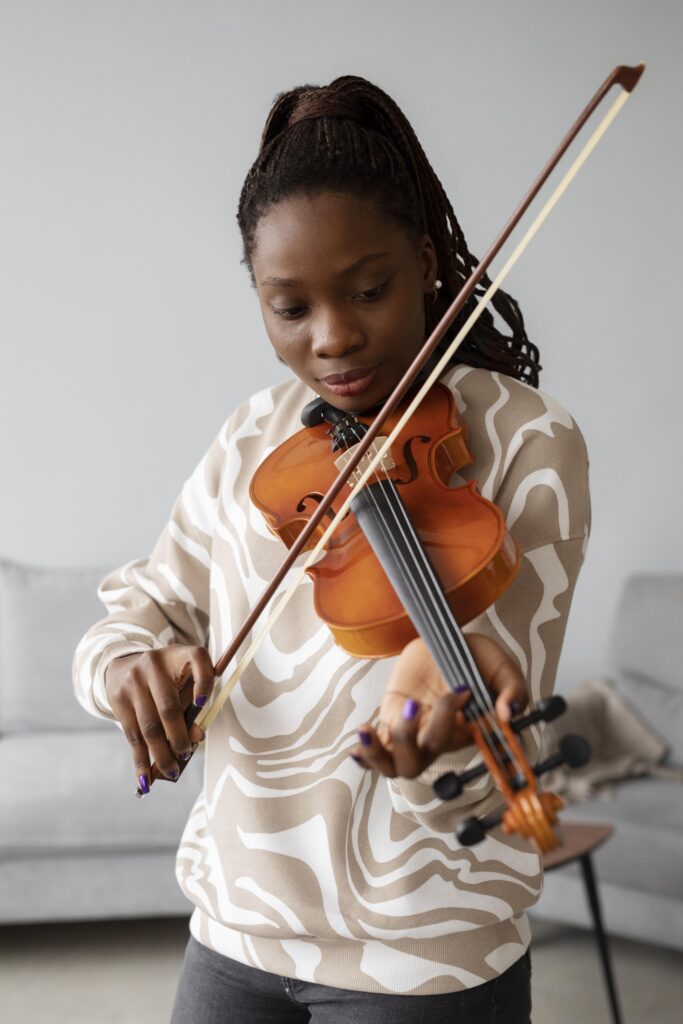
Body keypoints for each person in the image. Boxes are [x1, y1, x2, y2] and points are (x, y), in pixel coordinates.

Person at [73, 75, 590, 1023]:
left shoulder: (524, 440)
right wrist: (130, 671)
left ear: (427, 262)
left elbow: (513, 694)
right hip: (235, 926)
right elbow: (136, 611)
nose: (335, 338)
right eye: (289, 307)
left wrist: (453, 715)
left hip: (427, 948)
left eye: (368, 290)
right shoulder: (253, 437)